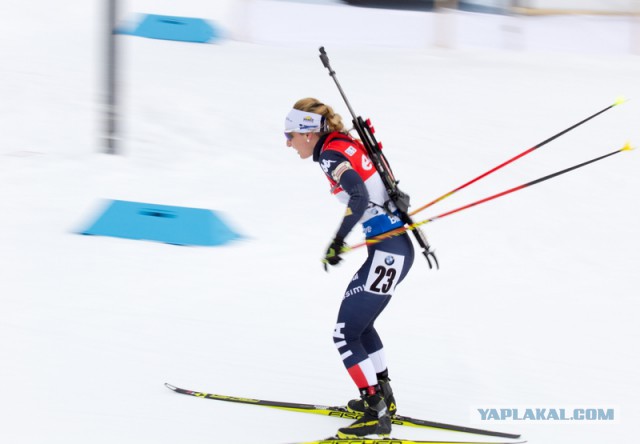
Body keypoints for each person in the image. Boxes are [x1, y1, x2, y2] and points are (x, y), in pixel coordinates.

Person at [284, 98, 415, 438]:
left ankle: (375, 413)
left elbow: (357, 196)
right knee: (361, 325)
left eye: (290, 134)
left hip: (389, 250)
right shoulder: (342, 144)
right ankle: (384, 396)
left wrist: (337, 240)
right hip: (393, 248)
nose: (287, 142)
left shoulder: (330, 154)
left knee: (345, 333)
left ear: (308, 133)